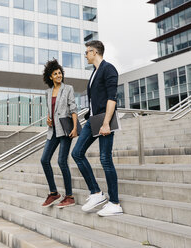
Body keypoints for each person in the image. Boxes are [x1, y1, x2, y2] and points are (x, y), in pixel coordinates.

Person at [71, 40, 123, 217]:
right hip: (93, 119)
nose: (85, 55)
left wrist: (107, 122)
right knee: (77, 153)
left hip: (105, 119)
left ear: (94, 52)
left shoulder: (108, 69)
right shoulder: (94, 72)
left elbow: (112, 98)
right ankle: (96, 193)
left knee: (105, 159)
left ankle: (115, 203)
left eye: (86, 52)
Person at [40, 59, 78, 208]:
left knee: (62, 161)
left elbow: (73, 108)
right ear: (50, 77)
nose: (58, 75)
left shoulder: (68, 88)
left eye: (60, 73)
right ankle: (54, 193)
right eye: (55, 73)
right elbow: (51, 112)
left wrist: (75, 127)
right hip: (53, 131)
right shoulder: (48, 92)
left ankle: (69, 196)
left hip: (66, 130)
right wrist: (48, 120)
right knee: (44, 160)